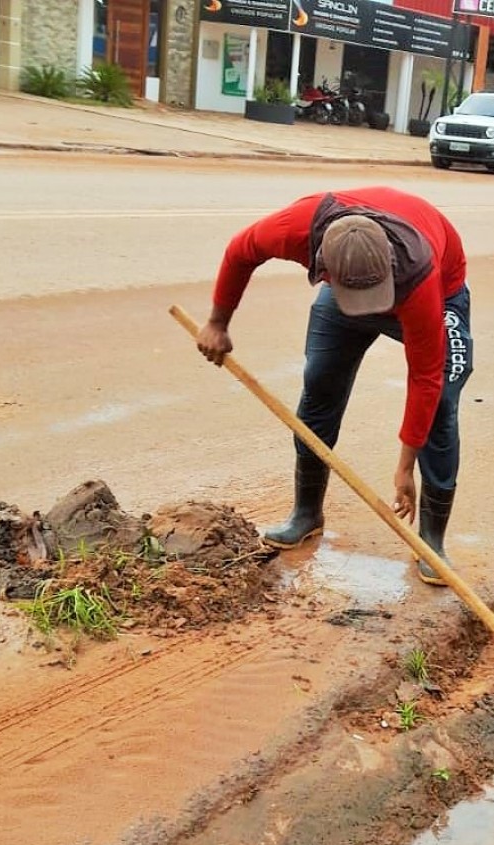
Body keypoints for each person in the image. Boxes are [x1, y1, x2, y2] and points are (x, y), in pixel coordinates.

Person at [195, 187, 472, 585]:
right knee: (319, 384)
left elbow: (424, 377)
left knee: (442, 404)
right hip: (346, 293)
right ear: (321, 264)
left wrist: (404, 467)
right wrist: (218, 323)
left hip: (433, 294)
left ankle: (431, 540)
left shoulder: (418, 272)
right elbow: (240, 252)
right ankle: (306, 514)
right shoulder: (293, 229)